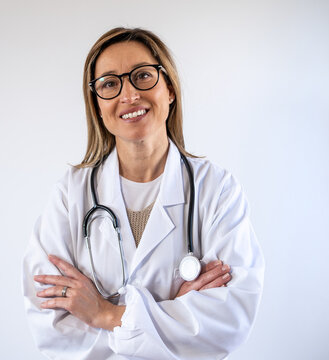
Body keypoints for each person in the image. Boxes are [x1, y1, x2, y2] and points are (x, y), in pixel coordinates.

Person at [22, 27, 264, 359]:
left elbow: (229, 320)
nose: (130, 94)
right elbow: (50, 325)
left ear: (170, 89)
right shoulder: (70, 195)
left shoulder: (217, 190)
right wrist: (173, 314)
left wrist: (105, 315)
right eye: (110, 83)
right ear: (97, 106)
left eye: (143, 76)